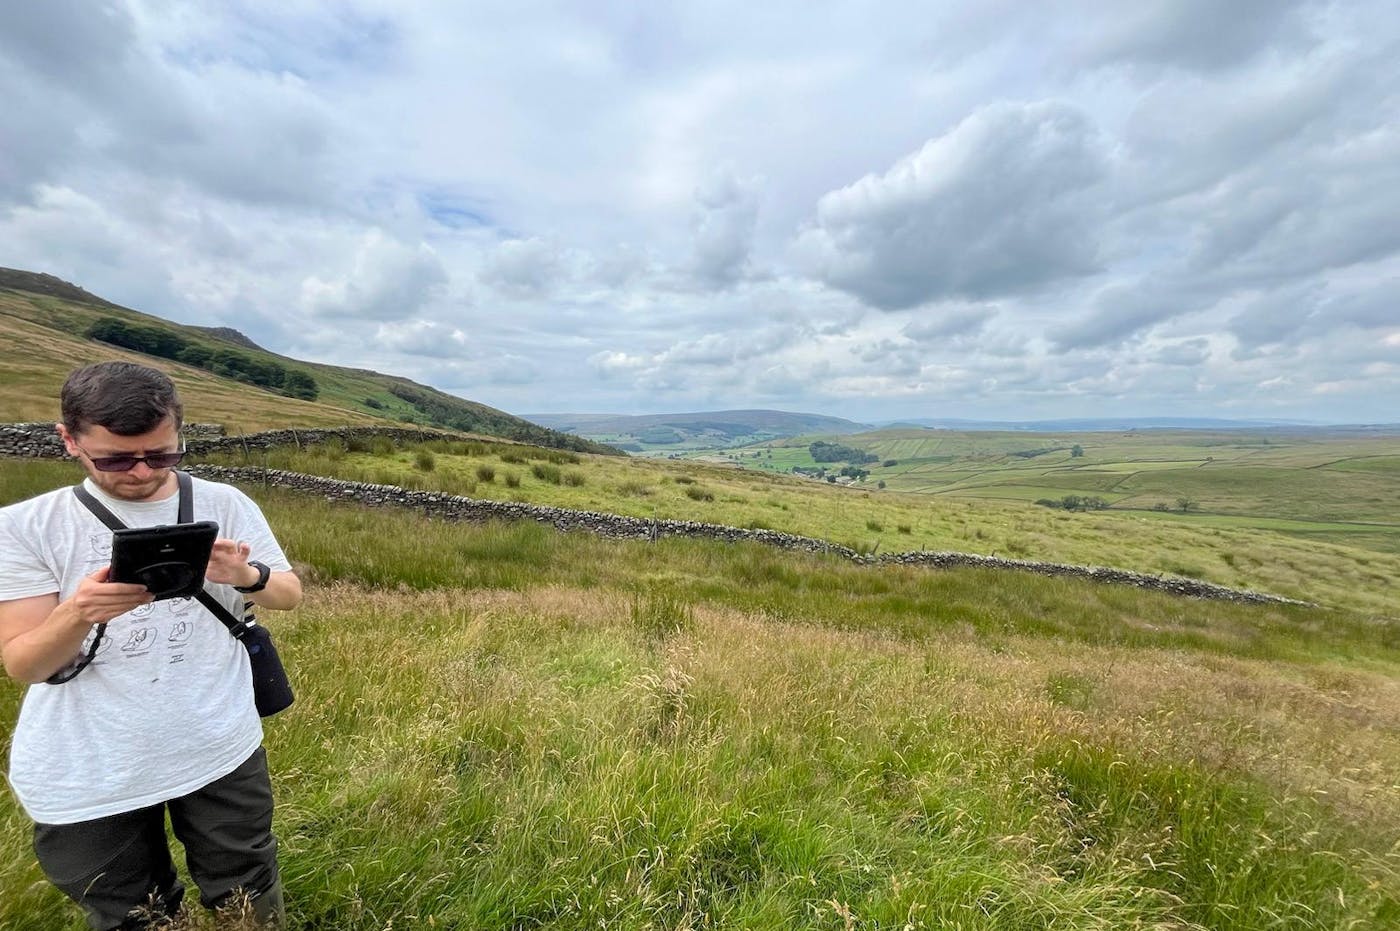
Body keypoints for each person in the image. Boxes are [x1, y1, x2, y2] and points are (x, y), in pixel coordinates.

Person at [0, 361, 302, 929]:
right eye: (115, 458)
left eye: (161, 455)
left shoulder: (227, 502)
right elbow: (24, 663)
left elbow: (288, 595)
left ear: (180, 434)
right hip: (89, 768)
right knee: (130, 914)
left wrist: (246, 575)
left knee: (248, 891)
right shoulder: (23, 528)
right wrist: (77, 613)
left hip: (220, 743)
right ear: (68, 440)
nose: (140, 472)